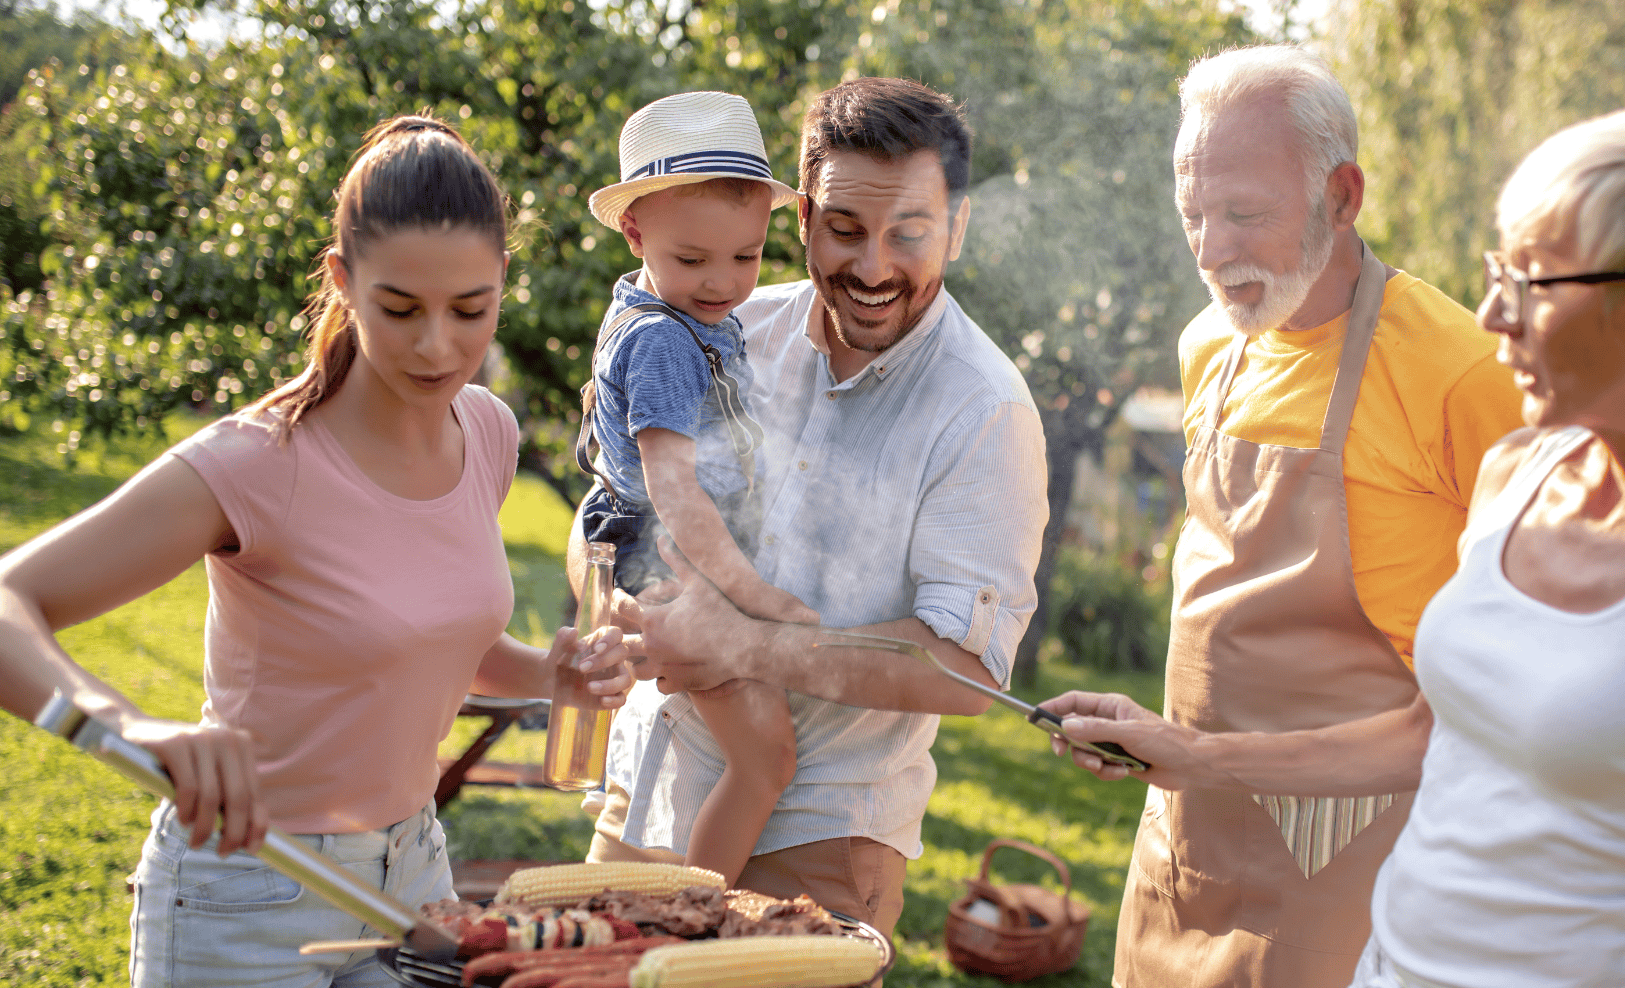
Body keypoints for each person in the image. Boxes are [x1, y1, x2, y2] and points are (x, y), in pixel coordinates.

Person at [1047, 101, 1625, 987]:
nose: (1489, 315)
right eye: (1496, 272)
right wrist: (1192, 754)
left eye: (1531, 285)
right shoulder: (1518, 473)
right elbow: (1432, 730)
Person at [0, 116, 634, 987]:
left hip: (414, 875)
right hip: (252, 887)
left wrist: (546, 675)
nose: (438, 346)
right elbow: (8, 601)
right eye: (400, 309)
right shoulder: (255, 462)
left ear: (501, 285)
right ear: (344, 279)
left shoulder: (487, 431)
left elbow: (426, 632)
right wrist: (131, 727)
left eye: (471, 310)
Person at [1033, 45, 1525, 986]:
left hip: (1360, 873)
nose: (1213, 251)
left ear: (1342, 197)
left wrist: (1195, 754)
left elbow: (1499, 710)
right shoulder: (1209, 345)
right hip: (1182, 845)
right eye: (1193, 216)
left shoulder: (1462, 374)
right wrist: (1170, 745)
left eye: (1245, 215)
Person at [574, 77, 1048, 938]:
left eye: (909, 233)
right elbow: (610, 499)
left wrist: (743, 643)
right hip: (649, 791)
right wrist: (614, 595)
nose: (872, 268)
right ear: (798, 221)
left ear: (959, 225)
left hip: (818, 841)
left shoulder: (985, 412)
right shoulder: (720, 322)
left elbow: (968, 672)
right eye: (845, 230)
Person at [574, 91, 818, 886]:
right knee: (765, 760)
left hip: (668, 549)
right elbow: (672, 486)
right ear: (636, 232)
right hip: (667, 555)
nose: (722, 282)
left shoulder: (675, 315)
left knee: (754, 757)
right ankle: (697, 916)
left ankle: (681, 895)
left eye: (745, 257)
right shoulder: (664, 343)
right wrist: (750, 593)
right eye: (693, 260)